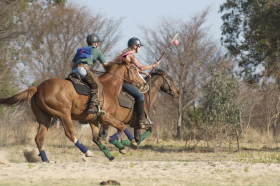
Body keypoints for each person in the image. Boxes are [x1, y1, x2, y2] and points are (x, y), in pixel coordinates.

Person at [117, 37, 160, 127]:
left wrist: (142, 72)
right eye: (139, 46)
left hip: (117, 80)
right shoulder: (132, 56)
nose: (140, 48)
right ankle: (140, 119)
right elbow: (141, 67)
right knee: (141, 95)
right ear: (135, 46)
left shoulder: (124, 54)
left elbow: (130, 69)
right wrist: (153, 65)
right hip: (124, 82)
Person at [70, 33, 107, 116]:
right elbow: (105, 65)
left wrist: (89, 68)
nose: (98, 44)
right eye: (98, 43)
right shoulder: (97, 51)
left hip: (75, 71)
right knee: (97, 86)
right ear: (96, 43)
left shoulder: (80, 50)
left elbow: (71, 65)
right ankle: (92, 107)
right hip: (83, 70)